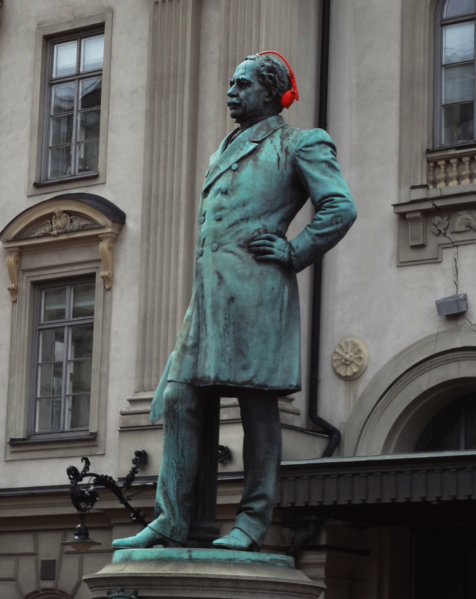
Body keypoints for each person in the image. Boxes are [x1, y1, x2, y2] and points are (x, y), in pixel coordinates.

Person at [112, 53, 357, 552]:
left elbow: (340, 206)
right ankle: (171, 520)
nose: (231, 92)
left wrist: (295, 250)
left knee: (257, 408)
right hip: (206, 302)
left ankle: (252, 522)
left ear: (270, 91)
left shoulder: (299, 142)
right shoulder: (222, 149)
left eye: (241, 84)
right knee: (181, 397)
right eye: (230, 83)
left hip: (257, 296)